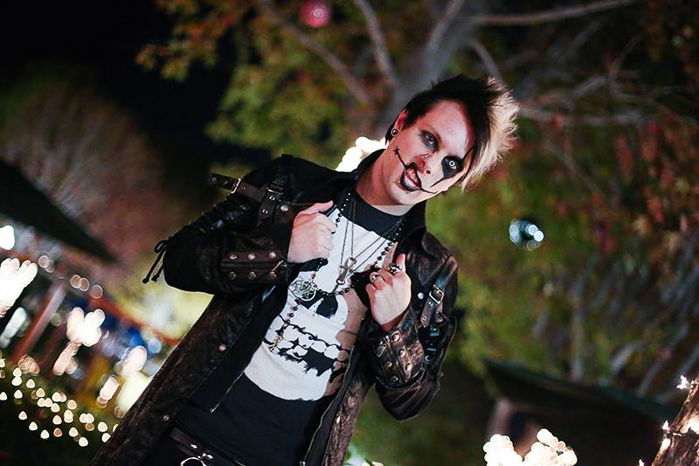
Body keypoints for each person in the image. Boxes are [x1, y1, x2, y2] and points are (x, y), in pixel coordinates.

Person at [90, 74, 518, 466]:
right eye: (429, 139)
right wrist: (278, 251)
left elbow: (411, 400)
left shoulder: (431, 270)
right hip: (184, 437)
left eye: (450, 163)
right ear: (401, 123)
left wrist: (395, 325)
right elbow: (181, 259)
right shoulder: (290, 185)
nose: (429, 164)